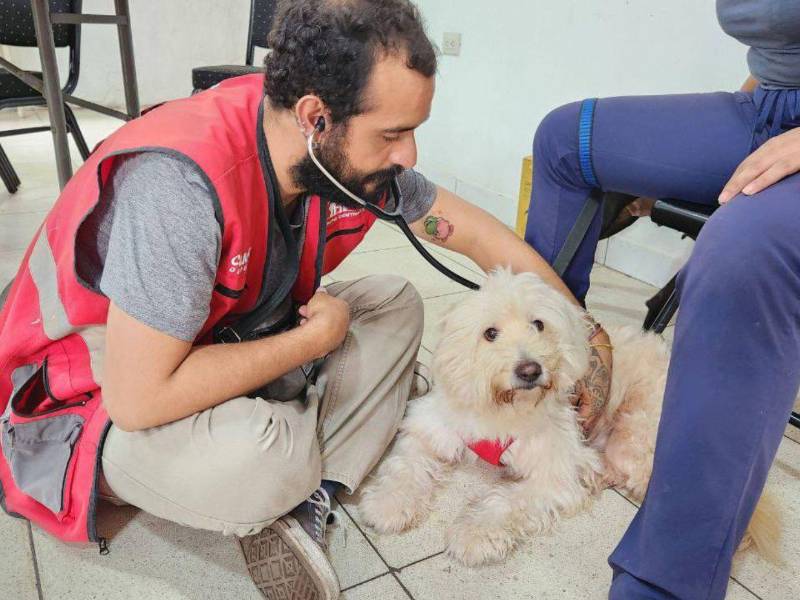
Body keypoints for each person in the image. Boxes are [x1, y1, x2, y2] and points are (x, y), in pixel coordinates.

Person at [0, 1, 611, 598]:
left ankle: (311, 485)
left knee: (396, 301)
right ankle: (278, 462)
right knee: (261, 458)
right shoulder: (178, 186)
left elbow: (476, 234)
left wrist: (584, 332)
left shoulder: (330, 158)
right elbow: (139, 397)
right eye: (394, 134)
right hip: (90, 395)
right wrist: (313, 344)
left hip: (220, 345)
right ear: (316, 116)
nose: (409, 156)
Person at [525, 1, 800, 598]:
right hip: (772, 105)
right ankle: (551, 371)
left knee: (739, 249)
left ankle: (666, 583)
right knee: (564, 140)